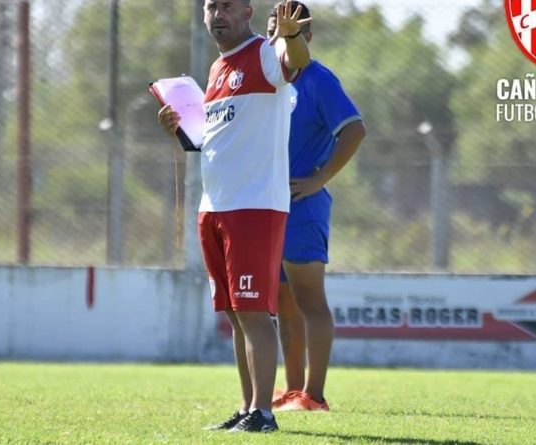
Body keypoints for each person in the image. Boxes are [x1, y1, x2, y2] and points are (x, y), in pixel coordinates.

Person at [157, 0, 311, 433]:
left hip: (254, 206)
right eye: (210, 6)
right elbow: (214, 140)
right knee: (236, 315)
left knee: (255, 313)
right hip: (215, 206)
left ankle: (264, 414)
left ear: (246, 10)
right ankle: (247, 408)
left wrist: (292, 35)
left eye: (226, 6)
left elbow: (295, 62)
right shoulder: (216, 69)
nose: (217, 14)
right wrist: (181, 130)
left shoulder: (265, 52)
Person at [266, 1, 366, 412]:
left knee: (309, 300)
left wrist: (319, 178)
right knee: (283, 305)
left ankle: (315, 395)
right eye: (272, 30)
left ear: (305, 36)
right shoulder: (268, 81)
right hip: (265, 207)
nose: (279, 38)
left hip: (302, 206)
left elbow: (355, 131)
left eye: (289, 30)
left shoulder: (319, 79)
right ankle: (293, 390)